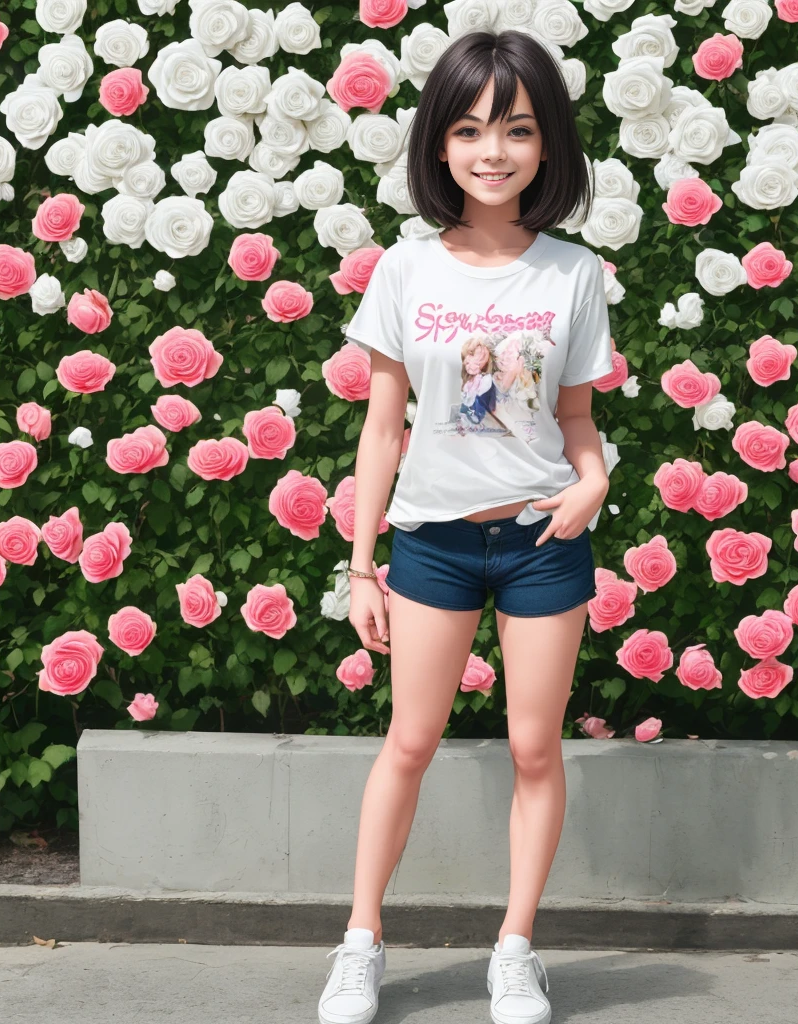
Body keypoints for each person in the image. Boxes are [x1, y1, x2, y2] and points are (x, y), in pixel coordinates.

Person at [318, 28, 614, 1024]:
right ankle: (359, 943)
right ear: (439, 145)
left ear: (548, 146)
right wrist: (361, 567)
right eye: (472, 127)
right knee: (409, 738)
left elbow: (576, 420)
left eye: (518, 128)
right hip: (432, 543)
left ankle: (515, 950)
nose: (494, 149)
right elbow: (381, 425)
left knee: (536, 748)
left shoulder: (573, 274)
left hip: (540, 544)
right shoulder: (405, 271)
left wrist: (593, 485)